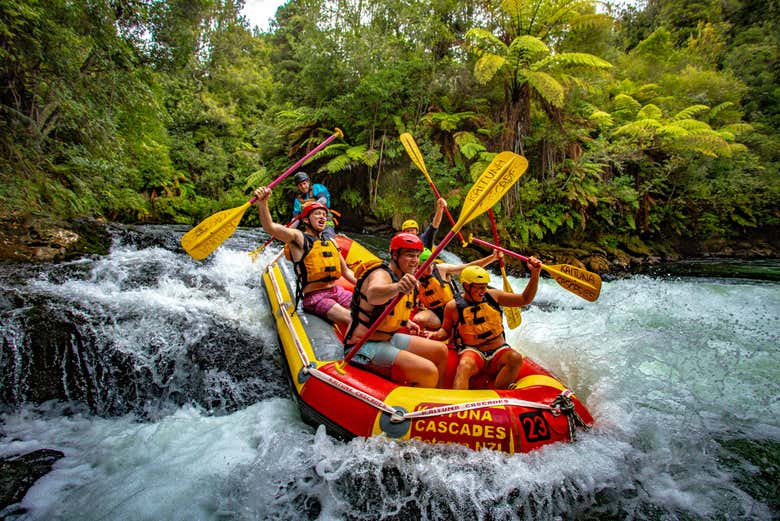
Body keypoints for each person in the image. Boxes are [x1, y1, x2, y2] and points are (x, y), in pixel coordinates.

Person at [343, 233, 448, 388]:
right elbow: (373, 294)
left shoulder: (404, 276)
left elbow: (390, 311)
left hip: (387, 338)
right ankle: (421, 407)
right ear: (394, 255)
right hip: (362, 346)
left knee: (441, 350)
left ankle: (439, 398)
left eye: (417, 256)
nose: (415, 261)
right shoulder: (381, 274)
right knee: (428, 371)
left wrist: (407, 322)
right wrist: (397, 287)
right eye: (409, 255)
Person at [429, 261, 541, 390]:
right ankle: (459, 402)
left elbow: (524, 299)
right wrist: (434, 335)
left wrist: (535, 274)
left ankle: (498, 395)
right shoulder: (453, 306)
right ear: (466, 286)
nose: (483, 291)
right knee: (465, 365)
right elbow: (445, 331)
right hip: (473, 351)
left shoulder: (494, 296)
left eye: (485, 286)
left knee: (515, 357)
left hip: (498, 350)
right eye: (479, 287)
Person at [254, 186, 356, 327]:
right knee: (353, 319)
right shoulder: (298, 238)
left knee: (367, 313)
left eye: (324, 215)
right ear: (307, 220)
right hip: (315, 297)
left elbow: (346, 271)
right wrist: (263, 203)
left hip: (336, 291)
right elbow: (270, 227)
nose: (322, 217)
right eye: (317, 214)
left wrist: (362, 286)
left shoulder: (330, 242)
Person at [413, 248, 504, 331]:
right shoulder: (415, 278)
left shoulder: (442, 269)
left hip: (455, 309)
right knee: (418, 320)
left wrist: (492, 258)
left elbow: (469, 267)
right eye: (425, 266)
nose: (430, 269)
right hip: (436, 313)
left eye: (431, 264)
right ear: (418, 266)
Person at [292, 171, 338, 240]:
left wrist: (308, 207)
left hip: (325, 222)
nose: (303, 187)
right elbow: (296, 219)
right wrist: (288, 230)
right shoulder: (298, 200)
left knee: (327, 239)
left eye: (304, 183)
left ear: (308, 182)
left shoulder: (317, 188)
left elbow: (323, 200)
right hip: (310, 228)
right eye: (300, 185)